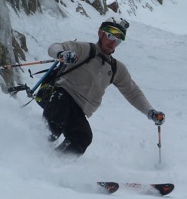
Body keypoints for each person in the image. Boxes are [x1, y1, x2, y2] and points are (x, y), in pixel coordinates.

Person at [40, 17, 165, 156]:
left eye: (118, 40)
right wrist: (61, 54)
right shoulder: (84, 49)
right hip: (61, 96)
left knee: (82, 137)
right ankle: (32, 152)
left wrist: (150, 112)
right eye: (111, 35)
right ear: (100, 33)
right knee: (52, 129)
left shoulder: (116, 68)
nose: (113, 42)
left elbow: (132, 92)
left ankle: (53, 164)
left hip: (79, 110)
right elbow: (55, 46)